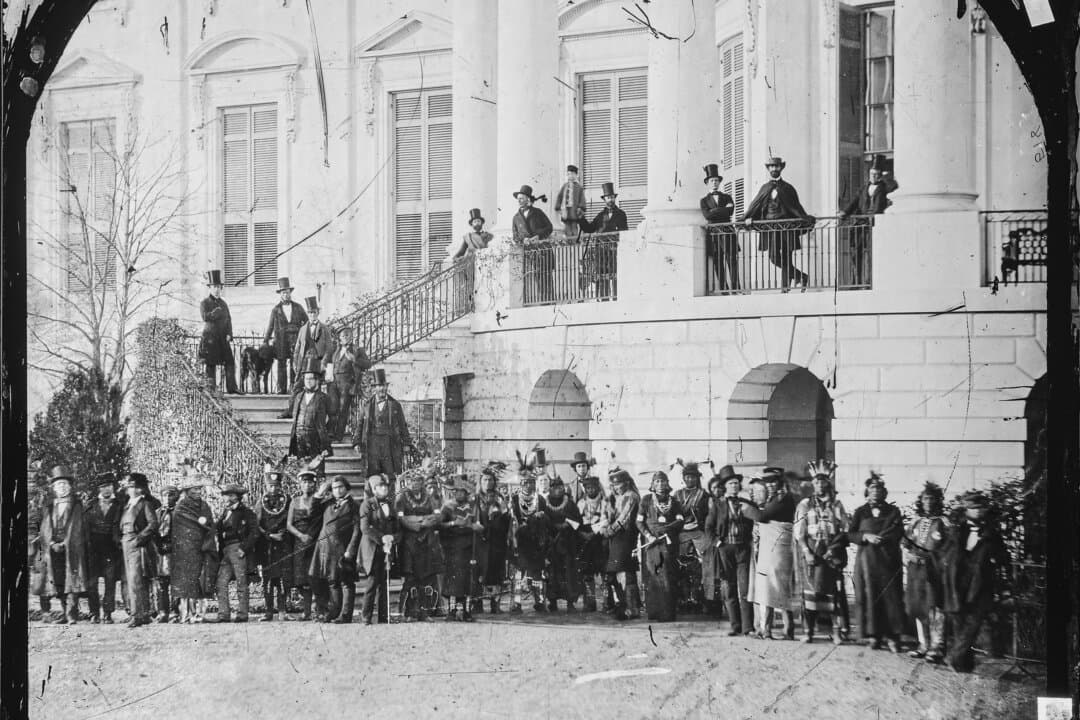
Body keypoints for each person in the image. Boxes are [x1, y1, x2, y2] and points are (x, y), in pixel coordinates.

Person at [942, 490, 1009, 673]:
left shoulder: (992, 533)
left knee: (973, 623)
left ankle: (954, 657)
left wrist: (995, 559)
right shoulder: (956, 531)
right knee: (960, 624)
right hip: (958, 585)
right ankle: (964, 665)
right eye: (974, 508)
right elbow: (945, 553)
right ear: (967, 510)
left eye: (981, 508)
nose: (978, 511)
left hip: (980, 585)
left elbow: (1003, 556)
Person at [793, 461, 850, 644]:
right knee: (810, 593)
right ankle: (808, 631)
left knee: (834, 594)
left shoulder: (837, 505)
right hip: (813, 553)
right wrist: (806, 551)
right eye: (816, 482)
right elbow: (799, 532)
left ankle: (836, 632)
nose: (819, 485)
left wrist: (834, 549)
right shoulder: (805, 504)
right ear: (812, 484)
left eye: (822, 482)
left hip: (832, 553)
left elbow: (845, 529)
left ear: (828, 483)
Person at [848, 472, 905, 653]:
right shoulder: (860, 512)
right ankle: (873, 636)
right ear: (867, 492)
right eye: (872, 489)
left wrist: (883, 538)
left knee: (891, 599)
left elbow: (898, 532)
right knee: (869, 598)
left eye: (879, 489)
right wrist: (865, 536)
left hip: (888, 562)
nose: (876, 492)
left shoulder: (893, 512)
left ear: (884, 492)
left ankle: (893, 637)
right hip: (867, 563)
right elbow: (850, 534)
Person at [741, 156, 814, 292]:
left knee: (787, 256)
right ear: (768, 169)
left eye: (777, 166)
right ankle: (801, 276)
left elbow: (796, 207)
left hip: (786, 227)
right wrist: (746, 219)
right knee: (774, 257)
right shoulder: (765, 187)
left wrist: (805, 218)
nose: (774, 169)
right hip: (771, 228)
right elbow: (755, 205)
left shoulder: (788, 188)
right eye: (772, 166)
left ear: (781, 168)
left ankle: (785, 288)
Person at [740, 467, 797, 639]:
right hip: (774, 549)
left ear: (780, 483)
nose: (770, 485)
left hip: (776, 550)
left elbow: (762, 517)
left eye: (774, 481)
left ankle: (768, 630)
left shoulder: (782, 499)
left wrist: (744, 506)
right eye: (767, 482)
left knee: (770, 588)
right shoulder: (778, 498)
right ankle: (785, 629)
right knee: (778, 589)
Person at [903, 481, 950, 662]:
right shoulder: (915, 521)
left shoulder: (944, 522)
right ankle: (923, 644)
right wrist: (908, 555)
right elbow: (905, 543)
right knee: (918, 606)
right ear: (921, 501)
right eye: (925, 499)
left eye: (932, 499)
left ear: (938, 501)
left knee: (936, 607)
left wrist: (933, 560)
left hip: (934, 571)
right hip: (915, 571)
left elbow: (949, 548)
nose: (928, 502)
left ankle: (937, 646)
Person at [39, 465, 92, 625]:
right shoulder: (49, 506)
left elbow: (77, 528)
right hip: (54, 549)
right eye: (58, 485)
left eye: (64, 484)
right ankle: (64, 612)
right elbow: (45, 528)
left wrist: (65, 543)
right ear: (53, 488)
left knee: (72, 579)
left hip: (72, 548)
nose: (61, 487)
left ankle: (72, 614)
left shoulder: (77, 506)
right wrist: (52, 542)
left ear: (69, 486)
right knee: (59, 580)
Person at [309, 476, 363, 623]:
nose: (337, 491)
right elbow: (311, 511)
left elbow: (358, 530)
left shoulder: (354, 506)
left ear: (347, 488)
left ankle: (345, 615)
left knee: (346, 581)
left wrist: (350, 550)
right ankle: (333, 613)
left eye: (340, 487)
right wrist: (320, 492)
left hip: (343, 548)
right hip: (325, 547)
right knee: (332, 581)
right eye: (334, 488)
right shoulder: (327, 503)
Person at [838, 154, 896, 287]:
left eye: (876, 174)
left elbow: (890, 197)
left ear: (880, 175)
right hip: (860, 225)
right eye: (871, 174)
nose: (873, 177)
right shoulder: (864, 188)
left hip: (874, 226)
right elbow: (854, 202)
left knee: (871, 255)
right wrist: (845, 213)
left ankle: (869, 282)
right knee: (855, 254)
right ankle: (856, 282)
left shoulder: (885, 188)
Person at [351, 369, 415, 489]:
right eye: (379, 386)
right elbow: (359, 425)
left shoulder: (395, 405)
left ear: (387, 387)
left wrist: (406, 443)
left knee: (390, 475)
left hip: (389, 444)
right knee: (372, 475)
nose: (382, 389)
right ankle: (371, 503)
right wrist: (356, 442)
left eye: (384, 386)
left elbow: (403, 426)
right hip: (372, 444)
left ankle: (391, 502)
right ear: (374, 388)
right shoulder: (367, 405)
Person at [395, 470, 444, 621]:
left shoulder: (429, 497)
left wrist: (425, 521)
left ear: (422, 482)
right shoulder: (402, 497)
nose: (415, 483)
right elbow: (401, 517)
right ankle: (410, 612)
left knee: (426, 578)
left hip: (426, 540)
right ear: (407, 482)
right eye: (412, 481)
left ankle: (425, 612)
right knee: (411, 579)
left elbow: (437, 514)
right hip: (410, 541)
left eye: (418, 481)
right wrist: (415, 524)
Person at [637, 471, 685, 622]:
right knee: (652, 575)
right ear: (652, 484)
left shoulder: (675, 502)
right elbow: (639, 521)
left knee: (667, 576)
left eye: (663, 481)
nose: (660, 484)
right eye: (657, 482)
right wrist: (649, 535)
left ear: (667, 483)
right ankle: (654, 612)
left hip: (668, 542)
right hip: (651, 543)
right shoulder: (646, 500)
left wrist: (667, 528)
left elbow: (680, 520)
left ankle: (667, 613)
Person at [439, 474, 485, 621]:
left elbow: (480, 526)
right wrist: (454, 524)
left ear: (466, 493)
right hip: (453, 548)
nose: (460, 494)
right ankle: (451, 611)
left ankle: (466, 611)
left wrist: (472, 525)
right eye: (457, 491)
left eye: (463, 491)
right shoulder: (447, 507)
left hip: (468, 548)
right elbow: (440, 525)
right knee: (453, 582)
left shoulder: (473, 507)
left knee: (468, 580)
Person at [599, 468, 641, 620]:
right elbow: (605, 514)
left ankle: (632, 607)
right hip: (614, 538)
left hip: (626, 537)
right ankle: (622, 605)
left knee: (625, 570)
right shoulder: (613, 497)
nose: (616, 487)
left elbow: (624, 519)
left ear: (627, 483)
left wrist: (609, 530)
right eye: (614, 485)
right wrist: (604, 525)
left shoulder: (631, 496)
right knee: (615, 572)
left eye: (619, 484)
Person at [171, 479, 215, 623]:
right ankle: (186, 613)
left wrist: (206, 543)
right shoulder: (181, 507)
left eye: (199, 489)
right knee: (186, 583)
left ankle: (199, 614)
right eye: (194, 489)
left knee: (200, 581)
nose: (197, 492)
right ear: (187, 491)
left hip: (201, 548)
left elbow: (210, 526)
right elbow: (179, 528)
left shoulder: (204, 506)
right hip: (185, 550)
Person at [214, 484, 259, 623]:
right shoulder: (225, 512)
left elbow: (254, 533)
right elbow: (217, 529)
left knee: (241, 582)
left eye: (231, 495)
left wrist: (243, 549)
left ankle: (242, 614)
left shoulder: (246, 512)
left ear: (237, 497)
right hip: (226, 550)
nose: (227, 498)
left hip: (238, 549)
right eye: (226, 495)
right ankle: (223, 614)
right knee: (221, 582)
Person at [359, 474, 401, 625]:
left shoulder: (391, 504)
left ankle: (384, 616)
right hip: (372, 548)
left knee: (385, 583)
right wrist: (381, 538)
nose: (384, 489)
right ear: (374, 489)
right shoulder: (367, 504)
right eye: (380, 486)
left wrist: (393, 538)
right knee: (372, 583)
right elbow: (365, 527)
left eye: (386, 486)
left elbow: (397, 527)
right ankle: (366, 616)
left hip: (387, 549)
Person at [286, 469, 327, 620]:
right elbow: (289, 525)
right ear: (300, 484)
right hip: (299, 543)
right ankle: (307, 611)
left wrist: (311, 537)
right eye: (304, 482)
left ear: (314, 484)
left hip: (315, 542)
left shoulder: (319, 500)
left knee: (315, 576)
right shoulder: (294, 501)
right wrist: (300, 535)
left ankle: (320, 610)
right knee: (301, 579)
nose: (307, 485)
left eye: (310, 482)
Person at [119, 473, 159, 628]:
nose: (132, 490)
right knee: (129, 579)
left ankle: (138, 615)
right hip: (125, 543)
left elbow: (153, 524)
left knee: (136, 579)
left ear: (142, 489)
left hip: (137, 544)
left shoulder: (144, 504)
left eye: (136, 487)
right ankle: (139, 613)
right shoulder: (127, 504)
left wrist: (139, 539)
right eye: (130, 487)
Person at [510, 461, 551, 613]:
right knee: (520, 572)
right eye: (525, 483)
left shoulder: (540, 499)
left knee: (537, 572)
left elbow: (546, 521)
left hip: (536, 542)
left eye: (531, 482)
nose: (528, 485)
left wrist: (540, 518)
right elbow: (513, 520)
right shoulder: (514, 499)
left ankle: (540, 601)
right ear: (520, 484)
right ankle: (516, 603)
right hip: (520, 540)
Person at [283, 296, 333, 417]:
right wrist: (295, 363)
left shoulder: (325, 329)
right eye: (310, 313)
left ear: (318, 313)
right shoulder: (303, 329)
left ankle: (316, 415)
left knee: (317, 389)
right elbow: (297, 349)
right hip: (305, 362)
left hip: (318, 361)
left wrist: (323, 363)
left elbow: (329, 348)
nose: (312, 315)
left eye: (314, 312)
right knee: (297, 387)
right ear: (308, 313)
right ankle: (291, 411)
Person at [85, 473, 123, 624]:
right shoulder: (91, 505)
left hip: (112, 549)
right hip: (93, 549)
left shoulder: (120, 504)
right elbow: (85, 526)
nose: (106, 489)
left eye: (108, 486)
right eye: (102, 486)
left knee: (110, 581)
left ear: (113, 487)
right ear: (98, 488)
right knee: (92, 583)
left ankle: (107, 613)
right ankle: (94, 612)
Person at [674, 461, 712, 613]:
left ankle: (701, 599)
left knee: (703, 565)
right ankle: (683, 599)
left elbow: (709, 516)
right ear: (683, 478)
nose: (690, 480)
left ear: (697, 478)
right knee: (681, 566)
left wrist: (698, 524)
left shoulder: (704, 495)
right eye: (687, 477)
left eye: (693, 477)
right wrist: (680, 525)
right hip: (681, 534)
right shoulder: (677, 495)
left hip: (699, 533)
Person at [579, 182, 627, 300]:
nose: (610, 199)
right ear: (604, 199)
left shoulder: (621, 214)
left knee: (615, 275)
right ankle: (603, 300)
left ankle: (617, 298)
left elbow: (624, 232)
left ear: (614, 198)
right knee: (601, 276)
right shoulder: (600, 216)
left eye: (611, 197)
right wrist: (581, 218)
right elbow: (589, 228)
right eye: (607, 197)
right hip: (600, 251)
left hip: (614, 250)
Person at [256, 469, 292, 621]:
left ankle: (283, 611)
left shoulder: (287, 501)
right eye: (271, 486)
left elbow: (291, 520)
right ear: (266, 486)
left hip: (283, 544)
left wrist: (282, 534)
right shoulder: (260, 502)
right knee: (268, 580)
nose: (274, 489)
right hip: (267, 546)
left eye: (276, 486)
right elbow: (256, 525)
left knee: (283, 579)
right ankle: (269, 612)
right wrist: (269, 535)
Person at [543, 474, 582, 613]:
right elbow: (542, 521)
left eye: (560, 486)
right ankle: (552, 601)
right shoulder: (545, 503)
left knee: (569, 573)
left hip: (567, 544)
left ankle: (570, 602)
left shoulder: (570, 503)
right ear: (550, 489)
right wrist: (552, 527)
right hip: (552, 544)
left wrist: (567, 525)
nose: (557, 490)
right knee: (552, 573)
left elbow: (578, 520)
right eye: (553, 487)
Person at [264, 277, 309, 394]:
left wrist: (302, 333)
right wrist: (266, 340)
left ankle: (294, 388)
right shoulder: (276, 310)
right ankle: (281, 389)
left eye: (288, 292)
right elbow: (270, 326)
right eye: (284, 293)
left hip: (295, 339)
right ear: (280, 294)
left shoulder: (298, 307)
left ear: (291, 293)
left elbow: (307, 322)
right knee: (281, 364)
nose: (286, 295)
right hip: (281, 340)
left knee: (295, 364)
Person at [288, 358, 334, 475]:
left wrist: (326, 434)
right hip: (299, 440)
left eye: (311, 378)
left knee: (318, 473)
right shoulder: (299, 396)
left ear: (317, 380)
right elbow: (295, 415)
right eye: (306, 378)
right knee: (302, 473)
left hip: (316, 441)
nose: (308, 381)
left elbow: (334, 418)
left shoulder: (324, 398)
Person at [511, 184, 555, 304]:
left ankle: (549, 304)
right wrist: (523, 240)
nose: (519, 201)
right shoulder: (516, 218)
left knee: (546, 278)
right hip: (529, 253)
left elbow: (549, 227)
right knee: (532, 279)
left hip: (543, 251)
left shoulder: (538, 212)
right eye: (518, 198)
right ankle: (538, 304)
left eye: (521, 198)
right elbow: (515, 236)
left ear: (528, 199)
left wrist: (538, 236)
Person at [198, 269, 240, 394]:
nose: (216, 289)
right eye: (214, 287)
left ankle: (232, 388)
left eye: (218, 287)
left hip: (223, 339)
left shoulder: (224, 304)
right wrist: (215, 313)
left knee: (230, 362)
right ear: (210, 288)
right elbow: (205, 317)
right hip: (210, 339)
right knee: (211, 364)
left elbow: (229, 320)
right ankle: (211, 390)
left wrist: (229, 334)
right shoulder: (204, 303)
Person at [476, 465, 511, 614]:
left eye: (491, 480)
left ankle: (495, 604)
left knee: (496, 573)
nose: (488, 482)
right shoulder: (475, 499)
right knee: (479, 572)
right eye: (485, 479)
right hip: (480, 542)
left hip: (497, 541)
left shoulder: (499, 498)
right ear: (480, 481)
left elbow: (507, 518)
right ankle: (477, 604)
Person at [700, 164, 739, 293]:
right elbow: (707, 215)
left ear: (719, 182)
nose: (714, 183)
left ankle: (735, 288)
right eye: (712, 180)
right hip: (714, 234)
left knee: (732, 260)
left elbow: (730, 212)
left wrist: (714, 211)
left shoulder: (727, 197)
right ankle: (724, 289)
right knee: (718, 262)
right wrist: (722, 210)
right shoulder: (704, 201)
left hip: (728, 232)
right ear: (707, 183)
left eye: (716, 180)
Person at [329, 325, 372, 441]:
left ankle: (338, 436)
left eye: (347, 335)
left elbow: (368, 364)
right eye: (342, 336)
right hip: (334, 383)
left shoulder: (358, 350)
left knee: (343, 410)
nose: (345, 338)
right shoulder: (336, 350)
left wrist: (355, 360)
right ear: (339, 338)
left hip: (347, 383)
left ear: (351, 337)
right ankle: (330, 432)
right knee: (332, 408)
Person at [575, 474, 609, 612]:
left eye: (593, 487)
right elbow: (575, 520)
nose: (591, 490)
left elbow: (606, 519)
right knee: (587, 573)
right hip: (584, 540)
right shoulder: (580, 503)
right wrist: (582, 533)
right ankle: (590, 602)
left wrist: (594, 532)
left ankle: (608, 601)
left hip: (600, 540)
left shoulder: (605, 502)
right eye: (588, 488)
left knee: (604, 573)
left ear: (598, 487)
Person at [154, 484, 181, 623]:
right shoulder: (158, 513)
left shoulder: (180, 512)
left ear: (176, 497)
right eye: (165, 495)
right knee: (161, 582)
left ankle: (175, 611)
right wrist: (158, 545)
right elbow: (153, 530)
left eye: (171, 495)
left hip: (174, 551)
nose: (167, 498)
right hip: (160, 551)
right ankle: (162, 611)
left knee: (175, 581)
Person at [554, 164, 587, 238]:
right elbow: (560, 196)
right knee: (567, 229)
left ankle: (574, 242)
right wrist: (558, 207)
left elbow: (582, 199)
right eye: (568, 174)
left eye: (572, 174)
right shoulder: (564, 186)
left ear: (576, 175)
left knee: (574, 229)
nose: (570, 176)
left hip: (574, 212)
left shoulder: (579, 187)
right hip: (566, 212)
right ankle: (568, 242)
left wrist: (581, 208)